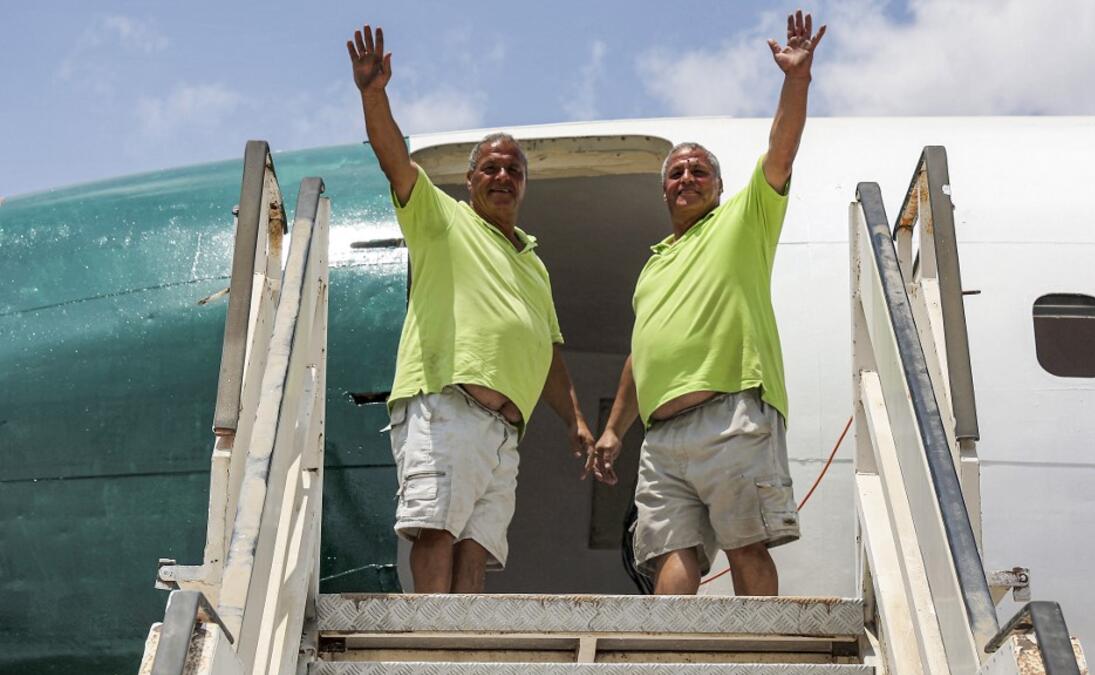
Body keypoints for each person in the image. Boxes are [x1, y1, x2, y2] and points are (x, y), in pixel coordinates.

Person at [348, 25, 595, 593]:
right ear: (470, 180)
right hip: (447, 408)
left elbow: (547, 352)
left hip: (504, 433)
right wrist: (373, 94)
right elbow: (394, 159)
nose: (503, 177)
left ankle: (457, 649)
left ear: (525, 184)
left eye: (513, 170)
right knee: (435, 531)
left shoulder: (535, 262)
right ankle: (432, 648)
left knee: (477, 551)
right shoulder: (442, 219)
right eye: (491, 168)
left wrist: (576, 419)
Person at [589, 10, 826, 596]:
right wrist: (615, 429)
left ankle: (759, 661)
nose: (687, 177)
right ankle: (673, 658)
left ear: (718, 187)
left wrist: (795, 81)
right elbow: (639, 354)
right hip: (663, 437)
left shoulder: (744, 220)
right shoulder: (651, 265)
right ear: (664, 188)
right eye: (676, 172)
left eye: (698, 171)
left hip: (732, 417)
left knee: (746, 545)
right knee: (671, 552)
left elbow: (781, 150)